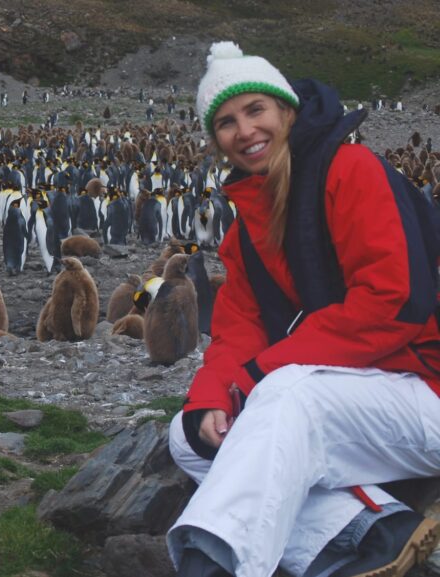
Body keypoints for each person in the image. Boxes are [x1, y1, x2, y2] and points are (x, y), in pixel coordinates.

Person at [167, 42, 440, 577]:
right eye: (226, 122)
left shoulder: (351, 169)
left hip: (424, 387)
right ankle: (370, 532)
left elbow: (394, 300)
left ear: (285, 110)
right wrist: (210, 399)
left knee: (289, 393)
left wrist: (263, 372)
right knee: (189, 436)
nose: (244, 130)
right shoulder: (248, 228)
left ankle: (218, 564)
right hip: (358, 398)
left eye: (255, 110)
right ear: (216, 140)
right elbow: (237, 331)